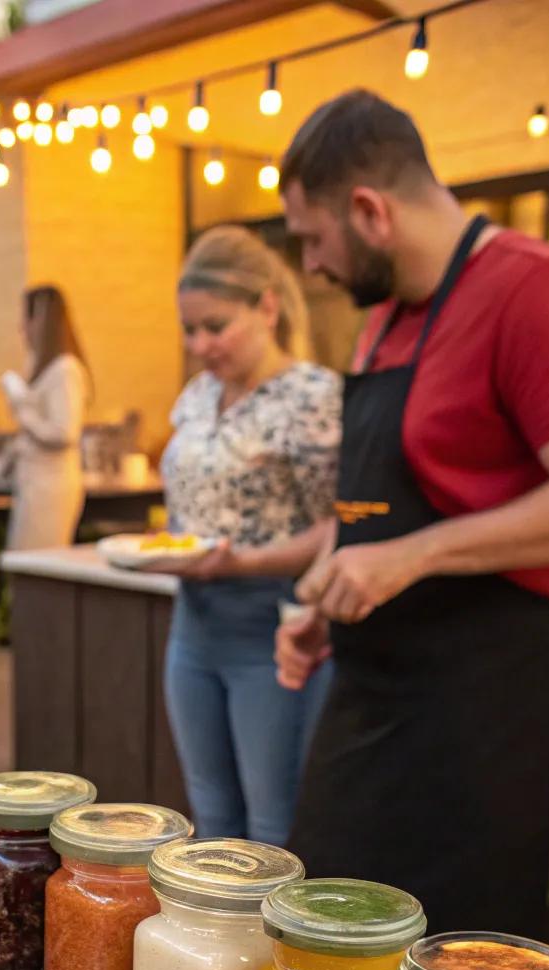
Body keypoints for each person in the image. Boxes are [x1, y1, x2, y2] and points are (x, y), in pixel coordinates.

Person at [276, 90, 549, 936]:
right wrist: (334, 586)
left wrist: (410, 558)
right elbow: (388, 501)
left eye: (314, 240)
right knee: (320, 934)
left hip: (486, 719)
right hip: (371, 697)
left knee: (455, 968)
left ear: (369, 210)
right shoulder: (385, 318)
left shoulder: (531, 289)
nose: (312, 268)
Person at [157, 225, 342, 847]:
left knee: (271, 827)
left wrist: (244, 562)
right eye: (189, 329)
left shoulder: (311, 395)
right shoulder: (198, 394)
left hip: (274, 628)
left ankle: (274, 949)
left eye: (215, 325)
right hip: (192, 627)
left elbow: (337, 526)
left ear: (267, 306)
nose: (199, 343)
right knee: (209, 816)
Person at [0, 285, 89, 550]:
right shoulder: (43, 365)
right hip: (34, 483)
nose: (21, 328)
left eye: (26, 318)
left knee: (38, 561)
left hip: (51, 488)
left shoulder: (65, 370)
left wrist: (21, 407)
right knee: (23, 559)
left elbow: (65, 431)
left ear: (40, 320)